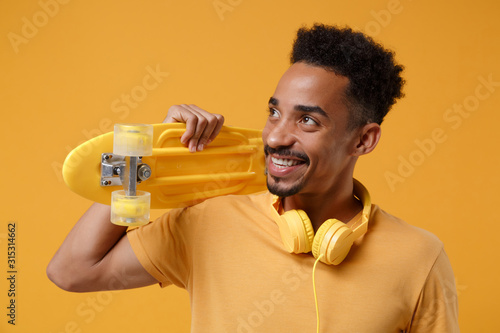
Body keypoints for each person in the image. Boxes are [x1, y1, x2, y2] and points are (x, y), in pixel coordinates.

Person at [47, 24, 459, 332]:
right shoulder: (211, 219)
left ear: (364, 140)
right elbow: (72, 271)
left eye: (308, 121)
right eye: (274, 112)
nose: (277, 136)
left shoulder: (419, 257)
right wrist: (150, 156)